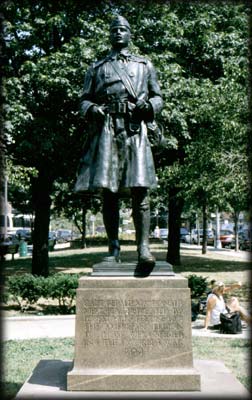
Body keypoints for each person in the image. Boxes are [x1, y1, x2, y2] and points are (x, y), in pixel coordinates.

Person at [75, 16, 163, 266]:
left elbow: (158, 98)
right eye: (114, 29)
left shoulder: (145, 65)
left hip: (135, 130)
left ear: (130, 34)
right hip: (108, 131)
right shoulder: (98, 67)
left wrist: (150, 107)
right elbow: (83, 100)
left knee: (140, 189)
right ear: (109, 35)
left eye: (123, 29)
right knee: (109, 192)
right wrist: (91, 109)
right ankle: (113, 248)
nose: (118, 33)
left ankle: (143, 249)